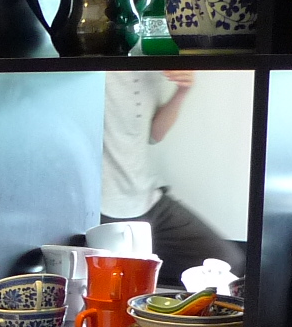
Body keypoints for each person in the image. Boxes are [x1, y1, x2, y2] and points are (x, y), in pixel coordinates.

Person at [98, 68, 244, 286]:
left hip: (147, 198)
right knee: (120, 289)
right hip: (102, 206)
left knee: (227, 263)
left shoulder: (147, 67)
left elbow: (154, 134)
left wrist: (182, 90)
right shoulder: (91, 70)